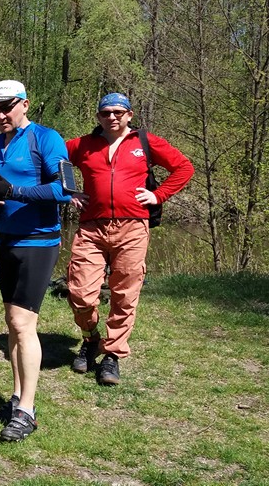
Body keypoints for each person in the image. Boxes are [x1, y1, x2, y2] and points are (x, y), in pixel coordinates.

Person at [65, 92, 193, 385]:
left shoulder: (145, 142)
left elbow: (184, 168)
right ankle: (90, 339)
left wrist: (158, 195)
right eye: (106, 112)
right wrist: (67, 192)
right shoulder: (82, 145)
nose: (112, 117)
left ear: (129, 115)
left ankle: (112, 354)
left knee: (124, 294)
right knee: (80, 293)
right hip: (92, 227)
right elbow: (52, 162)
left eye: (118, 112)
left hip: (133, 227)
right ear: (98, 117)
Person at [0, 80, 71, 442]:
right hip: (5, 241)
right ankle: (16, 398)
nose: (1, 115)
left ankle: (27, 412)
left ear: (25, 105)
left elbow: (65, 190)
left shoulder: (46, 139)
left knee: (22, 322)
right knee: (12, 323)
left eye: (7, 107)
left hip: (38, 242)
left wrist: (13, 191)